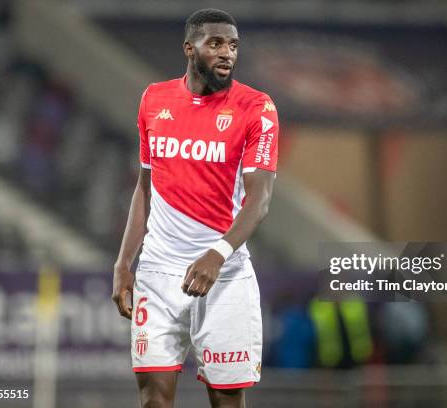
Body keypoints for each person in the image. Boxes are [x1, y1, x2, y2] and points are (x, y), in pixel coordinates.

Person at [111, 8, 279, 408]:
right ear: (190, 47)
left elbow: (260, 200)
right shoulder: (154, 99)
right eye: (216, 43)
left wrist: (217, 255)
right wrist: (123, 264)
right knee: (153, 398)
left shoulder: (257, 108)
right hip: (157, 271)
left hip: (225, 276)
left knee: (225, 400)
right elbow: (145, 186)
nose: (227, 54)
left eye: (233, 45)